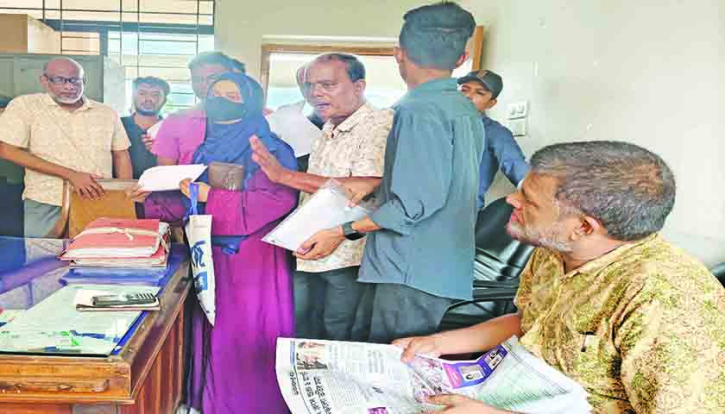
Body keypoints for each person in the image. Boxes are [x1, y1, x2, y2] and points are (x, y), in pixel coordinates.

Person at [394, 141, 725, 413]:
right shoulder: (555, 248)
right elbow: (533, 320)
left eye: (529, 200)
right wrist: (439, 343)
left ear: (582, 227)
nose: (511, 200)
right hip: (517, 390)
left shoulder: (668, 301)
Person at [294, 2, 482, 344]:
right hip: (440, 266)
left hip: (410, 270)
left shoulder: (416, 111)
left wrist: (341, 231)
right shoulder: (462, 108)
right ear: (461, 58)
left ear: (399, 54)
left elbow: (413, 205)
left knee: (387, 368)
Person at [133, 73, 298, 413]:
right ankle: (208, 400)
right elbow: (187, 195)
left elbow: (275, 201)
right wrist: (156, 193)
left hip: (250, 259)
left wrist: (213, 196)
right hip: (207, 252)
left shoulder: (272, 149)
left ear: (250, 101)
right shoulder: (205, 148)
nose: (220, 100)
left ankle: (248, 405)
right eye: (215, 93)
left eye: (231, 95)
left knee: (244, 333)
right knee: (210, 326)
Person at [251, 53, 393, 341]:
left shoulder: (379, 124)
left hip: (347, 255)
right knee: (302, 332)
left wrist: (285, 176)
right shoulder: (329, 125)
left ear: (358, 85)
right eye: (311, 86)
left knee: (337, 337)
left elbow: (367, 186)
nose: (316, 93)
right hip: (308, 248)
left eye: (327, 85)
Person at [0, 57, 132, 237]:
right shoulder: (25, 106)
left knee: (98, 258)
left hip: (99, 197)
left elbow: (121, 155)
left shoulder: (106, 113)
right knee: (43, 260)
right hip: (46, 200)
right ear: (45, 81)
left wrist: (125, 194)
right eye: (60, 80)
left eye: (75, 80)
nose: (69, 86)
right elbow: (8, 150)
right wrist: (72, 176)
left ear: (83, 81)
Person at [458, 69, 529, 209]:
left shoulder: (495, 133)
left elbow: (517, 167)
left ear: (491, 103)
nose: (468, 96)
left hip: (459, 216)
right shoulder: (436, 125)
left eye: (479, 93)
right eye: (464, 90)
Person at [150, 51, 237, 166]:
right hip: (188, 184)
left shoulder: (258, 118)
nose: (205, 84)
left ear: (233, 77)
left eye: (212, 78)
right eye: (197, 79)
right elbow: (165, 174)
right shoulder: (175, 121)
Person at [266, 63, 328, 172]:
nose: (315, 91)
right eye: (307, 85)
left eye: (325, 84)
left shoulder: (357, 123)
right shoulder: (283, 120)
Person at [121, 76, 170, 179]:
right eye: (142, 93)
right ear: (133, 97)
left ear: (164, 100)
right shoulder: (118, 124)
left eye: (155, 94)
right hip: (123, 190)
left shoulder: (173, 129)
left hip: (162, 190)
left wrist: (163, 151)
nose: (148, 99)